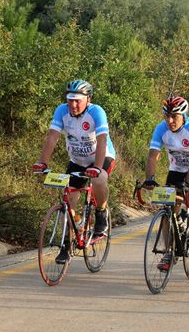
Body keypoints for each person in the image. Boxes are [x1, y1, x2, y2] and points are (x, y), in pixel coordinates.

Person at [33, 79, 116, 264]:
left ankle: (101, 213)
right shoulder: (62, 110)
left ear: (88, 99)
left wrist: (97, 167)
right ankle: (69, 242)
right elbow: (52, 137)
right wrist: (42, 163)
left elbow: (102, 140)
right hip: (77, 160)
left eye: (78, 100)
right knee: (68, 201)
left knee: (99, 180)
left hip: (101, 156)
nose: (73, 104)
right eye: (70, 100)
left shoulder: (97, 112)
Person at [143, 96, 189, 271]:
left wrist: (188, 183)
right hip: (177, 169)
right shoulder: (161, 128)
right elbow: (153, 155)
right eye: (167, 116)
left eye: (174, 116)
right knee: (168, 209)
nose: (170, 120)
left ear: (183, 115)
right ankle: (169, 252)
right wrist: (150, 178)